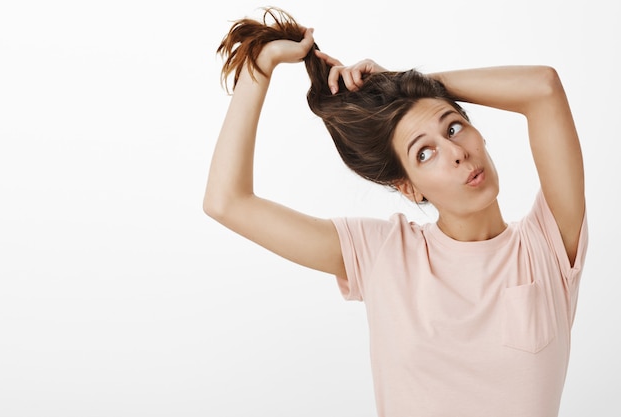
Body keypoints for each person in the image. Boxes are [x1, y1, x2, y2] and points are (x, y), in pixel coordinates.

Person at [204, 7, 588, 417]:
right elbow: (226, 202)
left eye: (454, 126)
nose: (457, 153)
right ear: (408, 188)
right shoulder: (383, 252)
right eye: (425, 152)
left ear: (479, 133)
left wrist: (411, 85)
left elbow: (543, 87)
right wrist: (262, 66)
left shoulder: (547, 246)